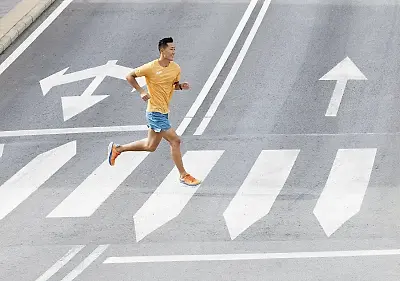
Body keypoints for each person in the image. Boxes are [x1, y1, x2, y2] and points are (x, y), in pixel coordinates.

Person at [107, 37, 201, 186]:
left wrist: (181, 86)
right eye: (171, 49)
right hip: (155, 112)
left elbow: (173, 85)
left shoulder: (175, 68)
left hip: (164, 111)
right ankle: (183, 175)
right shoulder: (150, 67)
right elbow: (129, 76)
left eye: (174, 49)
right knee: (175, 141)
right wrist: (141, 91)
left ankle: (118, 149)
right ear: (162, 50)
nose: (173, 52)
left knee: (150, 146)